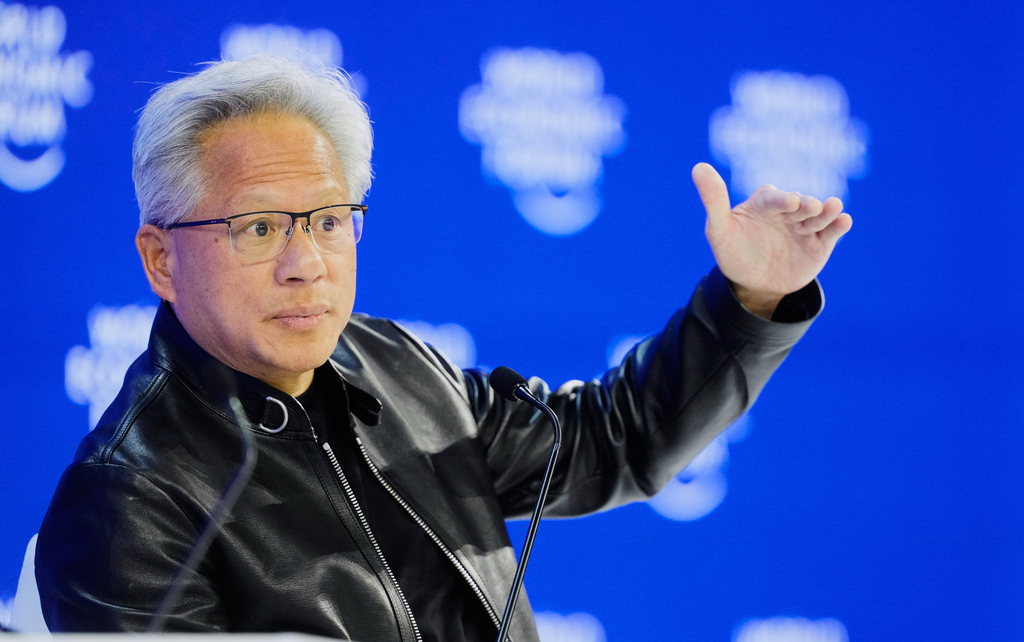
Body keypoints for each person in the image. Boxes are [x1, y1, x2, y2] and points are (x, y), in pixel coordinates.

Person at [35, 54, 852, 641]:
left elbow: (615, 440)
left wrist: (751, 299)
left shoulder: (394, 363)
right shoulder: (123, 505)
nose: (306, 263)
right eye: (257, 227)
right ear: (160, 258)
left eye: (327, 220)